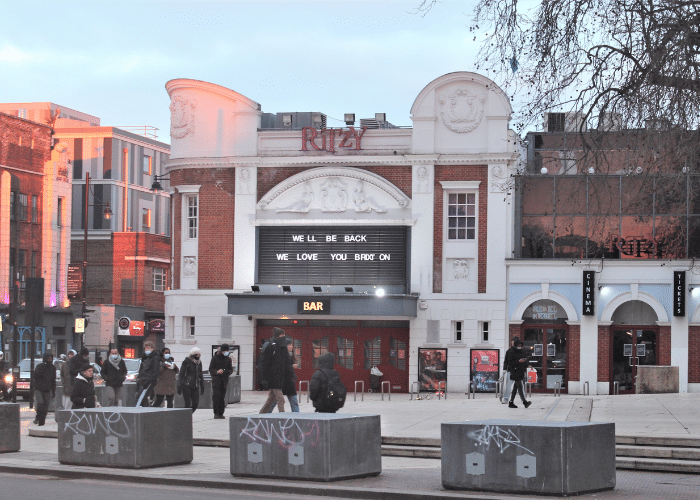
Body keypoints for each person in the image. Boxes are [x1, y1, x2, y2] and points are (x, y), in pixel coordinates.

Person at [258, 328, 289, 413]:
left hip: (280, 377)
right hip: (273, 378)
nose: (284, 337)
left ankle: (262, 413)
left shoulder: (283, 347)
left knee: (271, 399)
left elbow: (285, 363)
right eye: (282, 335)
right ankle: (282, 417)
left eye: (284, 335)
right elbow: (265, 364)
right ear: (277, 336)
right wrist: (264, 378)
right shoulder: (271, 347)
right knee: (281, 399)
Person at [268, 339, 300, 413]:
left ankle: (296, 416)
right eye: (289, 345)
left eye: (292, 345)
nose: (291, 347)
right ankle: (267, 414)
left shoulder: (291, 355)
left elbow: (288, 367)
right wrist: (292, 367)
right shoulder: (280, 356)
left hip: (289, 381)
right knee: (274, 401)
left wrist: (292, 372)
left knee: (293, 401)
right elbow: (281, 367)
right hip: (280, 381)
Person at [209, 343, 234, 419]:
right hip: (216, 381)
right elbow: (211, 369)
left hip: (224, 381)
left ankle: (221, 413)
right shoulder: (215, 358)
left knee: (222, 398)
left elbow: (230, 370)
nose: (226, 352)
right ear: (222, 351)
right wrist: (217, 371)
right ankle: (216, 413)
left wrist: (225, 371)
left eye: (227, 350)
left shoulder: (228, 359)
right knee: (216, 397)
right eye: (225, 351)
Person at [178, 347, 205, 413]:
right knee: (187, 403)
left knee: (195, 403)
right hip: (187, 384)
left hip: (195, 385)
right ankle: (186, 417)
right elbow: (181, 373)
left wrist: (202, 385)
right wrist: (179, 385)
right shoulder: (187, 361)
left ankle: (187, 415)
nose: (198, 356)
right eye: (196, 354)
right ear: (193, 355)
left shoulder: (199, 363)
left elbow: (200, 374)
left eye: (199, 354)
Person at [134, 341, 161, 407]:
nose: (146, 350)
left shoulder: (155, 358)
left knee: (140, 398)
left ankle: (136, 409)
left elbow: (155, 371)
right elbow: (142, 370)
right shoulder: (146, 358)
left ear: (153, 348)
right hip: (143, 380)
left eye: (148, 348)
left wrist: (149, 381)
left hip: (148, 381)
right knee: (142, 398)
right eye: (146, 348)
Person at [33, 352, 56, 426]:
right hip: (39, 388)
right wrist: (43, 368)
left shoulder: (53, 368)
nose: (50, 360)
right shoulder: (40, 366)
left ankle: (42, 421)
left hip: (47, 389)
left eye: (51, 358)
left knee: (46, 406)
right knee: (40, 402)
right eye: (48, 358)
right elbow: (35, 376)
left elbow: (53, 380)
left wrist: (53, 391)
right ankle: (38, 417)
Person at [508, 339, 532, 409]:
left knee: (515, 388)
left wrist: (527, 364)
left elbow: (526, 359)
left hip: (521, 370)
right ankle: (525, 402)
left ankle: (511, 402)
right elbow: (510, 363)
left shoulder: (522, 351)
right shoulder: (511, 352)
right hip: (514, 371)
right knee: (520, 386)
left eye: (520, 345)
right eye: (518, 345)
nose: (520, 346)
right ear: (515, 345)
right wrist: (518, 361)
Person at [501, 337, 519, 404]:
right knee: (508, 386)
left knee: (521, 387)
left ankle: (524, 399)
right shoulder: (509, 351)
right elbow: (506, 361)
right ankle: (506, 399)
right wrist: (504, 369)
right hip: (510, 371)